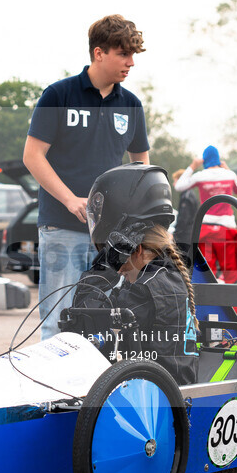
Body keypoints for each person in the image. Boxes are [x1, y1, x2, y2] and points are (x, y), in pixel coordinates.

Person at [23, 15, 149, 340]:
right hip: (61, 227)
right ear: (99, 53)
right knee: (57, 323)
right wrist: (69, 199)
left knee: (102, 325)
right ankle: (55, 392)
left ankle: (94, 392)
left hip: (110, 238)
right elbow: (32, 156)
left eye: (133, 55)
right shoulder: (58, 95)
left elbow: (141, 168)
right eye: (123, 54)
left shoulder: (132, 105)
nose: (130, 63)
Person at [67, 163, 198, 385]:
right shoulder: (169, 274)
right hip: (172, 390)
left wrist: (107, 263)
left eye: (117, 250)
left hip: (156, 403)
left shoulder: (145, 291)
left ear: (133, 248)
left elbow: (85, 321)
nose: (121, 273)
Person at [173, 146, 237, 283]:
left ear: (204, 159)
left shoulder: (200, 176)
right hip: (227, 227)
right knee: (230, 273)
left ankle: (208, 304)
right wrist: (228, 169)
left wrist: (193, 166)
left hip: (205, 228)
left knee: (207, 274)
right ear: (218, 159)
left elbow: (178, 186)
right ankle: (234, 304)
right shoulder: (230, 175)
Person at [171, 168, 199, 252]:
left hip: (184, 237)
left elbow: (183, 220)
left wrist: (175, 236)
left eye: (175, 181)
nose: (173, 184)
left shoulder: (186, 196)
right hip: (188, 236)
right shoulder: (189, 194)